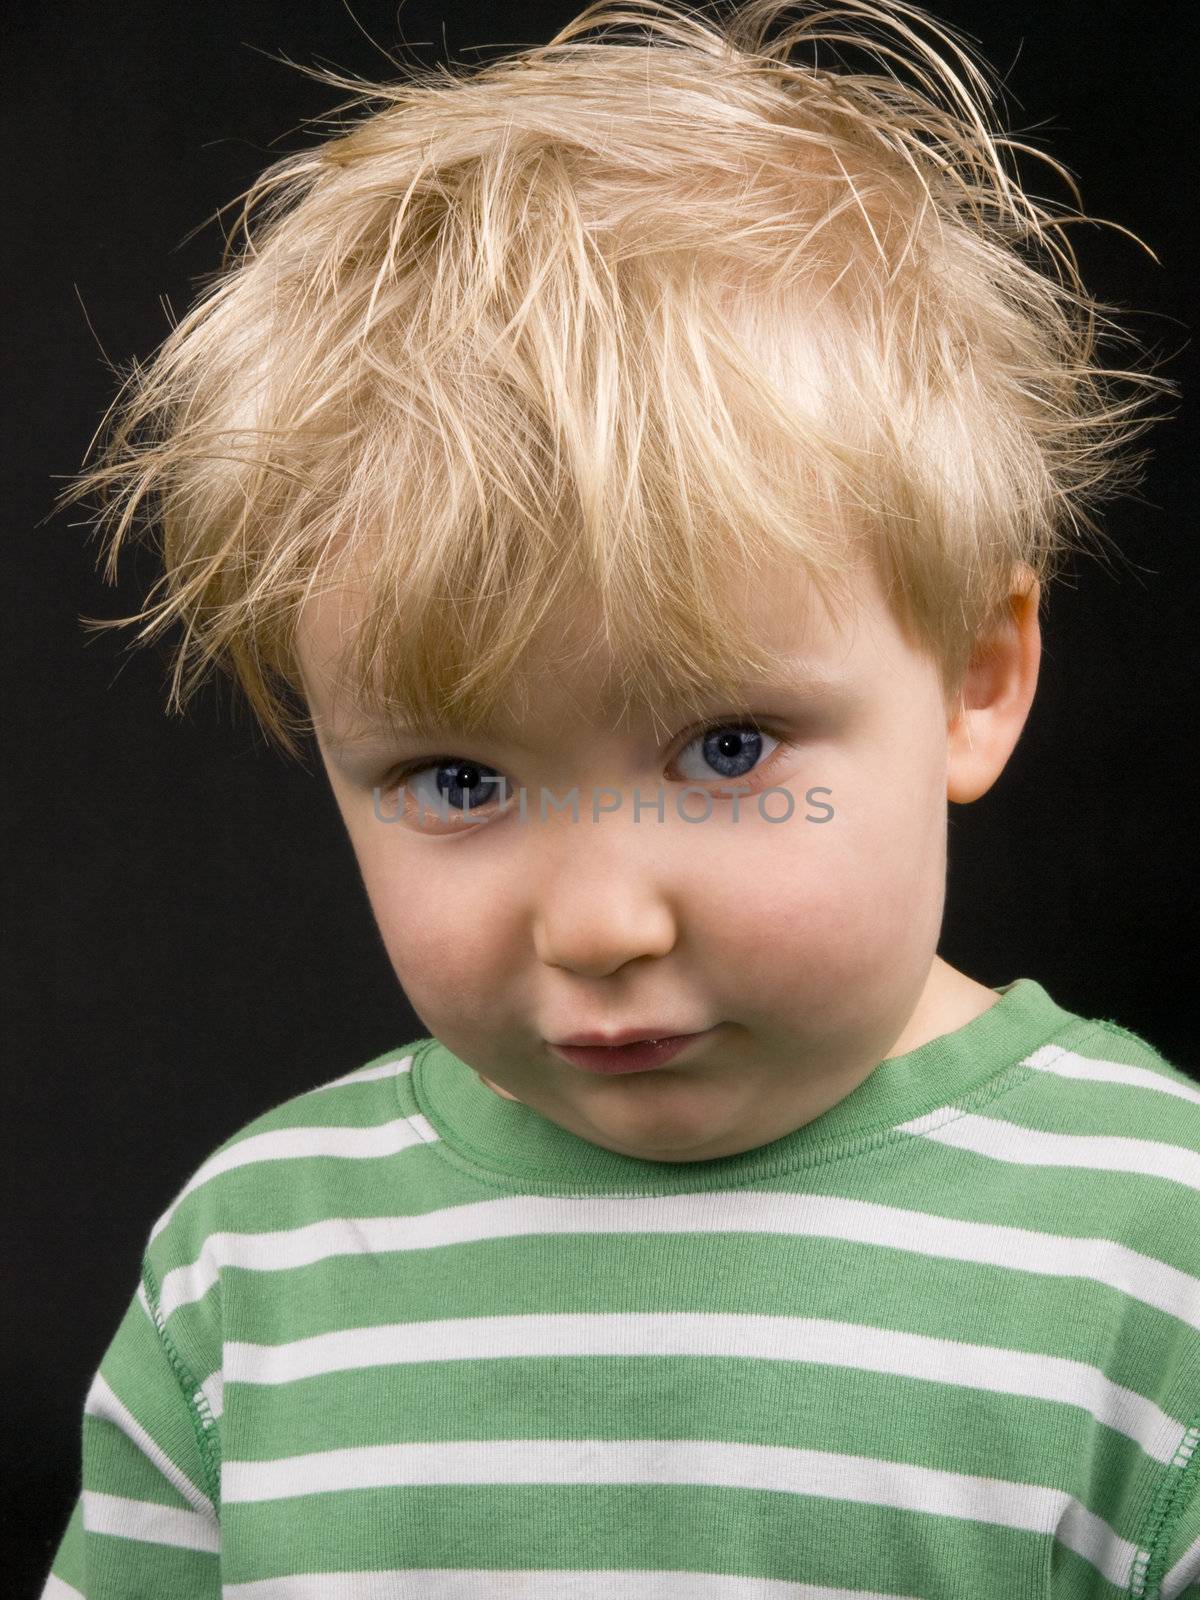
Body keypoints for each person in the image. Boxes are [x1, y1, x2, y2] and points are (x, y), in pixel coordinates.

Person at [42, 0, 1197, 1595]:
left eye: (726, 750)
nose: (596, 922)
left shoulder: (1157, 1255)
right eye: (457, 777)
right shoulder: (251, 1273)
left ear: (975, 678)